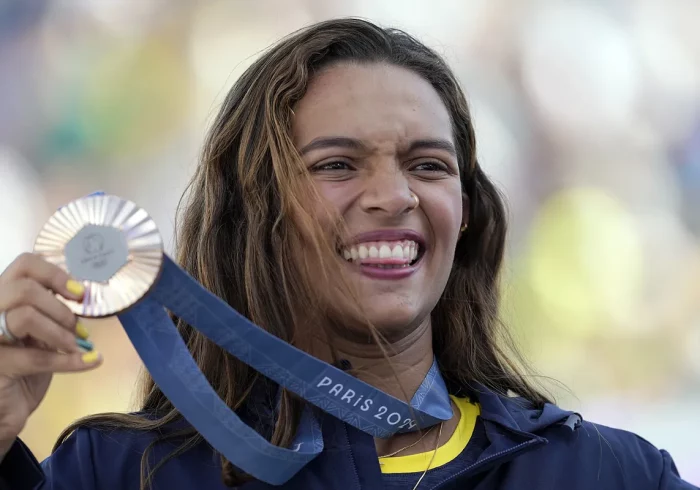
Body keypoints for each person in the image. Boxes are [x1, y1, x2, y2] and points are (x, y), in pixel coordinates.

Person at [0, 18, 695, 490]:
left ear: (469, 214)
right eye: (337, 166)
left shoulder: (603, 473)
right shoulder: (126, 474)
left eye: (428, 166)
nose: (394, 196)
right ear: (255, 211)